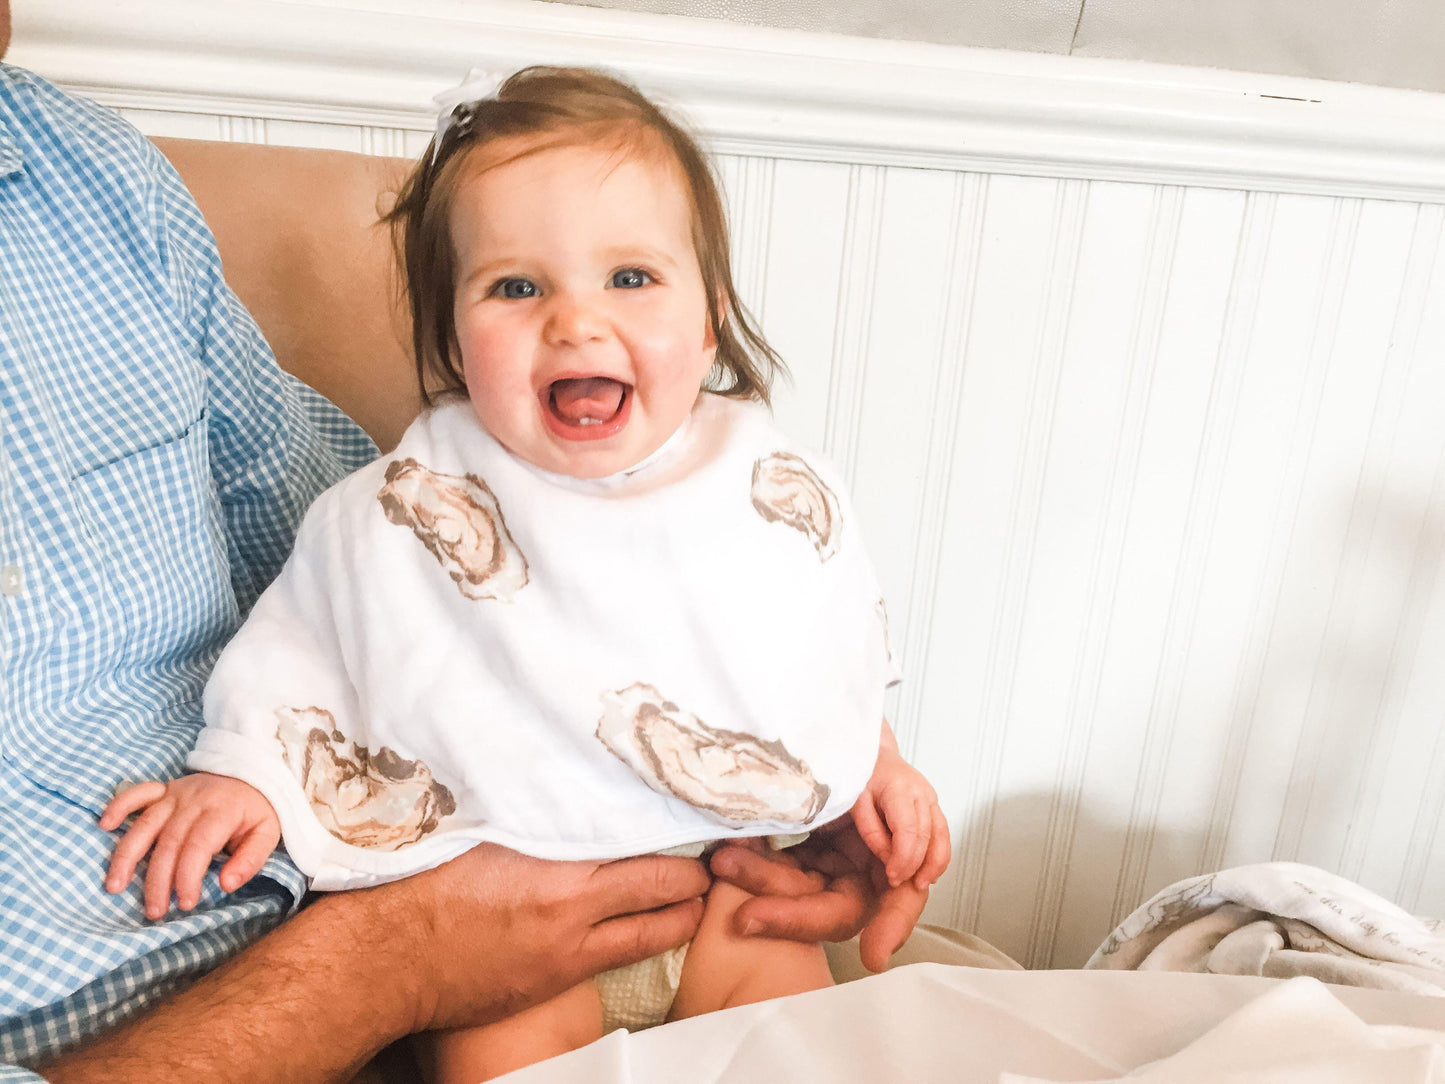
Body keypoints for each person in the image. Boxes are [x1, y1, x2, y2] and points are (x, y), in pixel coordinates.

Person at [0, 18, 932, 1082]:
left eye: (631, 278)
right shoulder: (405, 503)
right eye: (516, 288)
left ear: (710, 318)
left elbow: (820, 639)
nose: (577, 323)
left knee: (806, 1053)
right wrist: (247, 772)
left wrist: (872, 764)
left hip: (722, 886)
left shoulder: (765, 483)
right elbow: (310, 634)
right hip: (498, 919)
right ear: (450, 339)